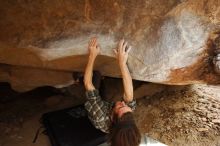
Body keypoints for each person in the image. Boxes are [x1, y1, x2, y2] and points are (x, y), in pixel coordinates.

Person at [84, 37, 141, 146]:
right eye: (126, 107)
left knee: (95, 76)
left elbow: (88, 84)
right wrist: (122, 62)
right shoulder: (126, 117)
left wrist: (92, 55)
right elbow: (129, 95)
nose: (123, 103)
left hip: (96, 110)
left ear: (113, 118)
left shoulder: (99, 116)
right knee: (104, 89)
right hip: (107, 108)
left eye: (120, 107)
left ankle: (77, 77)